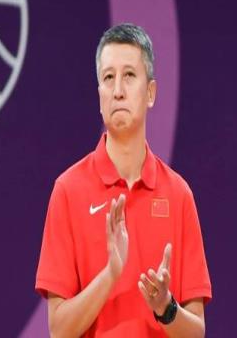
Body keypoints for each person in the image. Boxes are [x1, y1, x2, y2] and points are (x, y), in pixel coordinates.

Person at [35, 23, 212, 337]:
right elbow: (59, 331)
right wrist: (111, 274)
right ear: (99, 96)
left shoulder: (178, 194)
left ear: (151, 93)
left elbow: (197, 333)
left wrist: (166, 308)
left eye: (129, 75)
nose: (117, 90)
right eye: (108, 78)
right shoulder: (68, 190)